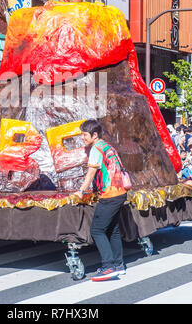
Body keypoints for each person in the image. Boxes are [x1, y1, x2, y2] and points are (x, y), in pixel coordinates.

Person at [74, 119, 128, 281]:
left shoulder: (96, 149)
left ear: (94, 134)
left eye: (84, 134)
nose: (82, 138)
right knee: (113, 229)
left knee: (97, 230)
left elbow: (91, 173)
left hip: (110, 195)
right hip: (121, 192)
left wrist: (81, 191)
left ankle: (108, 267)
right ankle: (118, 265)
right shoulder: (108, 146)